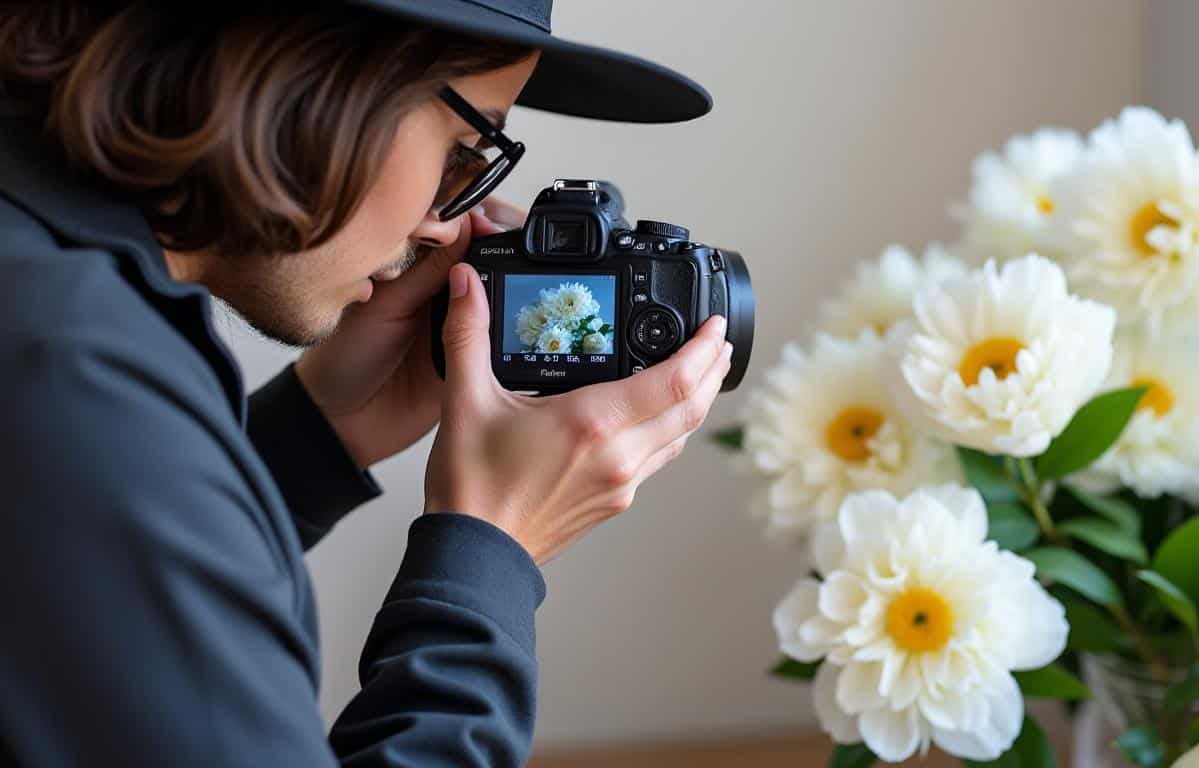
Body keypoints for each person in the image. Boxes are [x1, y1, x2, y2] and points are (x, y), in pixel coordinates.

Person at [0, 1, 729, 765]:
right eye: (464, 149)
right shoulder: (74, 372)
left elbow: (93, 597)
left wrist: (315, 433)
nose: (446, 227)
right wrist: (489, 550)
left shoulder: (54, 311)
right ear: (297, 58)